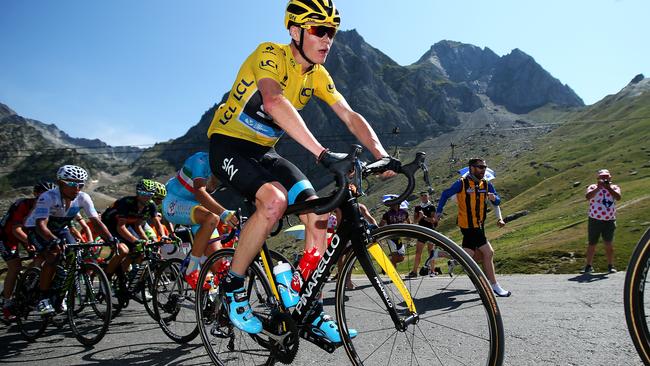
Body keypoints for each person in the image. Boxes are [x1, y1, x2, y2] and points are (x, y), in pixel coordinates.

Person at [206, 0, 399, 341]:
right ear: (295, 31)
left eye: (332, 32)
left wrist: (382, 155)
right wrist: (324, 154)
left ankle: (310, 309)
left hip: (264, 152)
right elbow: (273, 102)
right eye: (319, 30)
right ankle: (232, 285)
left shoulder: (318, 75)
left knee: (321, 214)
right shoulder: (270, 54)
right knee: (273, 201)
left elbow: (350, 115)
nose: (328, 39)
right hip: (228, 146)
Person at [24, 165, 118, 314]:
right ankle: (43, 298)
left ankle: (59, 293)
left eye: (81, 185)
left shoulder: (83, 197)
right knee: (53, 256)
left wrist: (111, 239)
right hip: (37, 229)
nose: (77, 189)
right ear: (61, 183)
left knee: (74, 256)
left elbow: (96, 222)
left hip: (61, 229)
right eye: (73, 184)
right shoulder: (47, 197)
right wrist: (54, 240)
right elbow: (41, 225)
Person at [434, 158, 510, 297]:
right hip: (468, 225)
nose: (483, 170)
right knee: (489, 253)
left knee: (468, 254)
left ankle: (439, 254)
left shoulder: (486, 184)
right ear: (471, 168)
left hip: (480, 225)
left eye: (484, 167)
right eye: (480, 167)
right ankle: (494, 285)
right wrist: (439, 212)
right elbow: (445, 194)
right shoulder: (461, 183)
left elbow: (497, 201)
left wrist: (494, 198)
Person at [162, 151, 238, 290]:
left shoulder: (227, 168)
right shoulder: (201, 160)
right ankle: (191, 270)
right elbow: (200, 192)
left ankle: (213, 304)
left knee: (219, 266)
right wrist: (224, 213)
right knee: (211, 218)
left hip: (196, 208)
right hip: (174, 201)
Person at [0, 181, 53, 320]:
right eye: (43, 193)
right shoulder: (22, 204)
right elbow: (16, 229)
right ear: (35, 193)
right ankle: (7, 302)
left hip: (27, 234)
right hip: (7, 236)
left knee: (41, 257)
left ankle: (28, 283)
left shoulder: (48, 207)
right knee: (15, 266)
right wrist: (29, 242)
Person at [101, 179, 166, 280]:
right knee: (123, 251)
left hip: (126, 225)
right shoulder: (126, 202)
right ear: (137, 192)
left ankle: (120, 279)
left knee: (138, 251)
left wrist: (162, 236)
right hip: (109, 225)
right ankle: (106, 278)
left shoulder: (150, 205)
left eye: (150, 194)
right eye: (143, 193)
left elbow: (143, 224)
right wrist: (135, 240)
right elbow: (120, 227)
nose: (146, 196)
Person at [582, 169, 621, 274]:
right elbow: (588, 197)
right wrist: (598, 188)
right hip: (595, 219)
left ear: (610, 177)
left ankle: (610, 265)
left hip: (609, 220)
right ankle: (588, 266)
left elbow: (618, 197)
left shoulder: (615, 187)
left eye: (606, 176)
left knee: (608, 244)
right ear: (598, 178)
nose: (604, 178)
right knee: (592, 243)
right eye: (602, 177)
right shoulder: (592, 187)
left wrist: (608, 188)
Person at [410, 191, 439, 277]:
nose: (423, 197)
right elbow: (415, 221)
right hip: (421, 231)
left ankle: (432, 271)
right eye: (422, 196)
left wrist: (425, 217)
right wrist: (420, 217)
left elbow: (434, 220)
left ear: (428, 196)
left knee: (431, 252)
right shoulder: (417, 207)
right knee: (418, 252)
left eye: (425, 195)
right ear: (420, 197)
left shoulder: (432, 206)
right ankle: (414, 272)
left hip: (430, 231)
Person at [379, 199, 410, 268]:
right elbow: (380, 225)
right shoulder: (387, 214)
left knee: (401, 258)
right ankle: (394, 275)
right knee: (395, 256)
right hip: (390, 237)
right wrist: (380, 236)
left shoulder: (404, 212)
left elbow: (409, 223)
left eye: (395, 204)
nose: (393, 205)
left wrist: (409, 235)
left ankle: (387, 263)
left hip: (398, 237)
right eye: (392, 204)